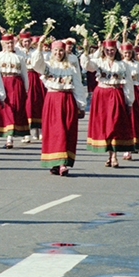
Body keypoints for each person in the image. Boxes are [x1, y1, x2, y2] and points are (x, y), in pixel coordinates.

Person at [29, 40, 86, 176]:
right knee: (55, 131)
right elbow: (36, 64)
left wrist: (81, 104)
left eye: (61, 50)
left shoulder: (70, 68)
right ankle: (54, 162)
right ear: (52, 52)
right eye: (55, 50)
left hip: (67, 100)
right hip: (53, 100)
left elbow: (77, 86)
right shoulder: (47, 66)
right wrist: (39, 46)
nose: (58, 53)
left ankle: (63, 162)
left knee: (66, 130)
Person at [80, 39, 134, 167]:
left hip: (115, 93)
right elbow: (86, 65)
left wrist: (129, 101)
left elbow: (128, 84)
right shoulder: (99, 62)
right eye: (107, 50)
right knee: (105, 125)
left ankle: (114, 155)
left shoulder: (122, 65)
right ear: (104, 51)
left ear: (116, 51)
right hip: (102, 94)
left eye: (112, 50)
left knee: (114, 124)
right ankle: (110, 154)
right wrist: (86, 50)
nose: (110, 52)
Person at [0, 34, 30, 148]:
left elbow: (24, 74)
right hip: (2, 82)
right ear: (2, 44)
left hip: (16, 83)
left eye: (11, 43)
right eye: (7, 43)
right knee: (5, 108)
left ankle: (10, 137)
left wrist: (26, 89)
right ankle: (3, 133)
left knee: (15, 108)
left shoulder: (19, 57)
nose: (10, 45)